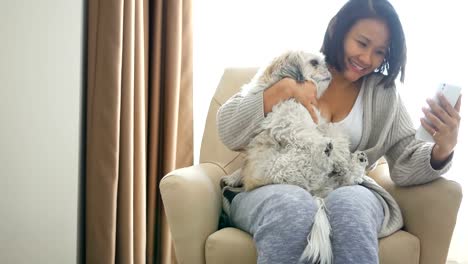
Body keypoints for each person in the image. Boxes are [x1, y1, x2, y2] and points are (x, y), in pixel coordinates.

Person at [216, 0, 462, 263]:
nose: (367, 59)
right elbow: (229, 130)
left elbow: (405, 163)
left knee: (350, 205)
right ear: (338, 30)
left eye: (380, 52)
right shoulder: (296, 67)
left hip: (345, 186)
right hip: (270, 187)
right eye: (362, 43)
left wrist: (442, 149)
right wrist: (282, 89)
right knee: (292, 205)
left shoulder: (383, 94)